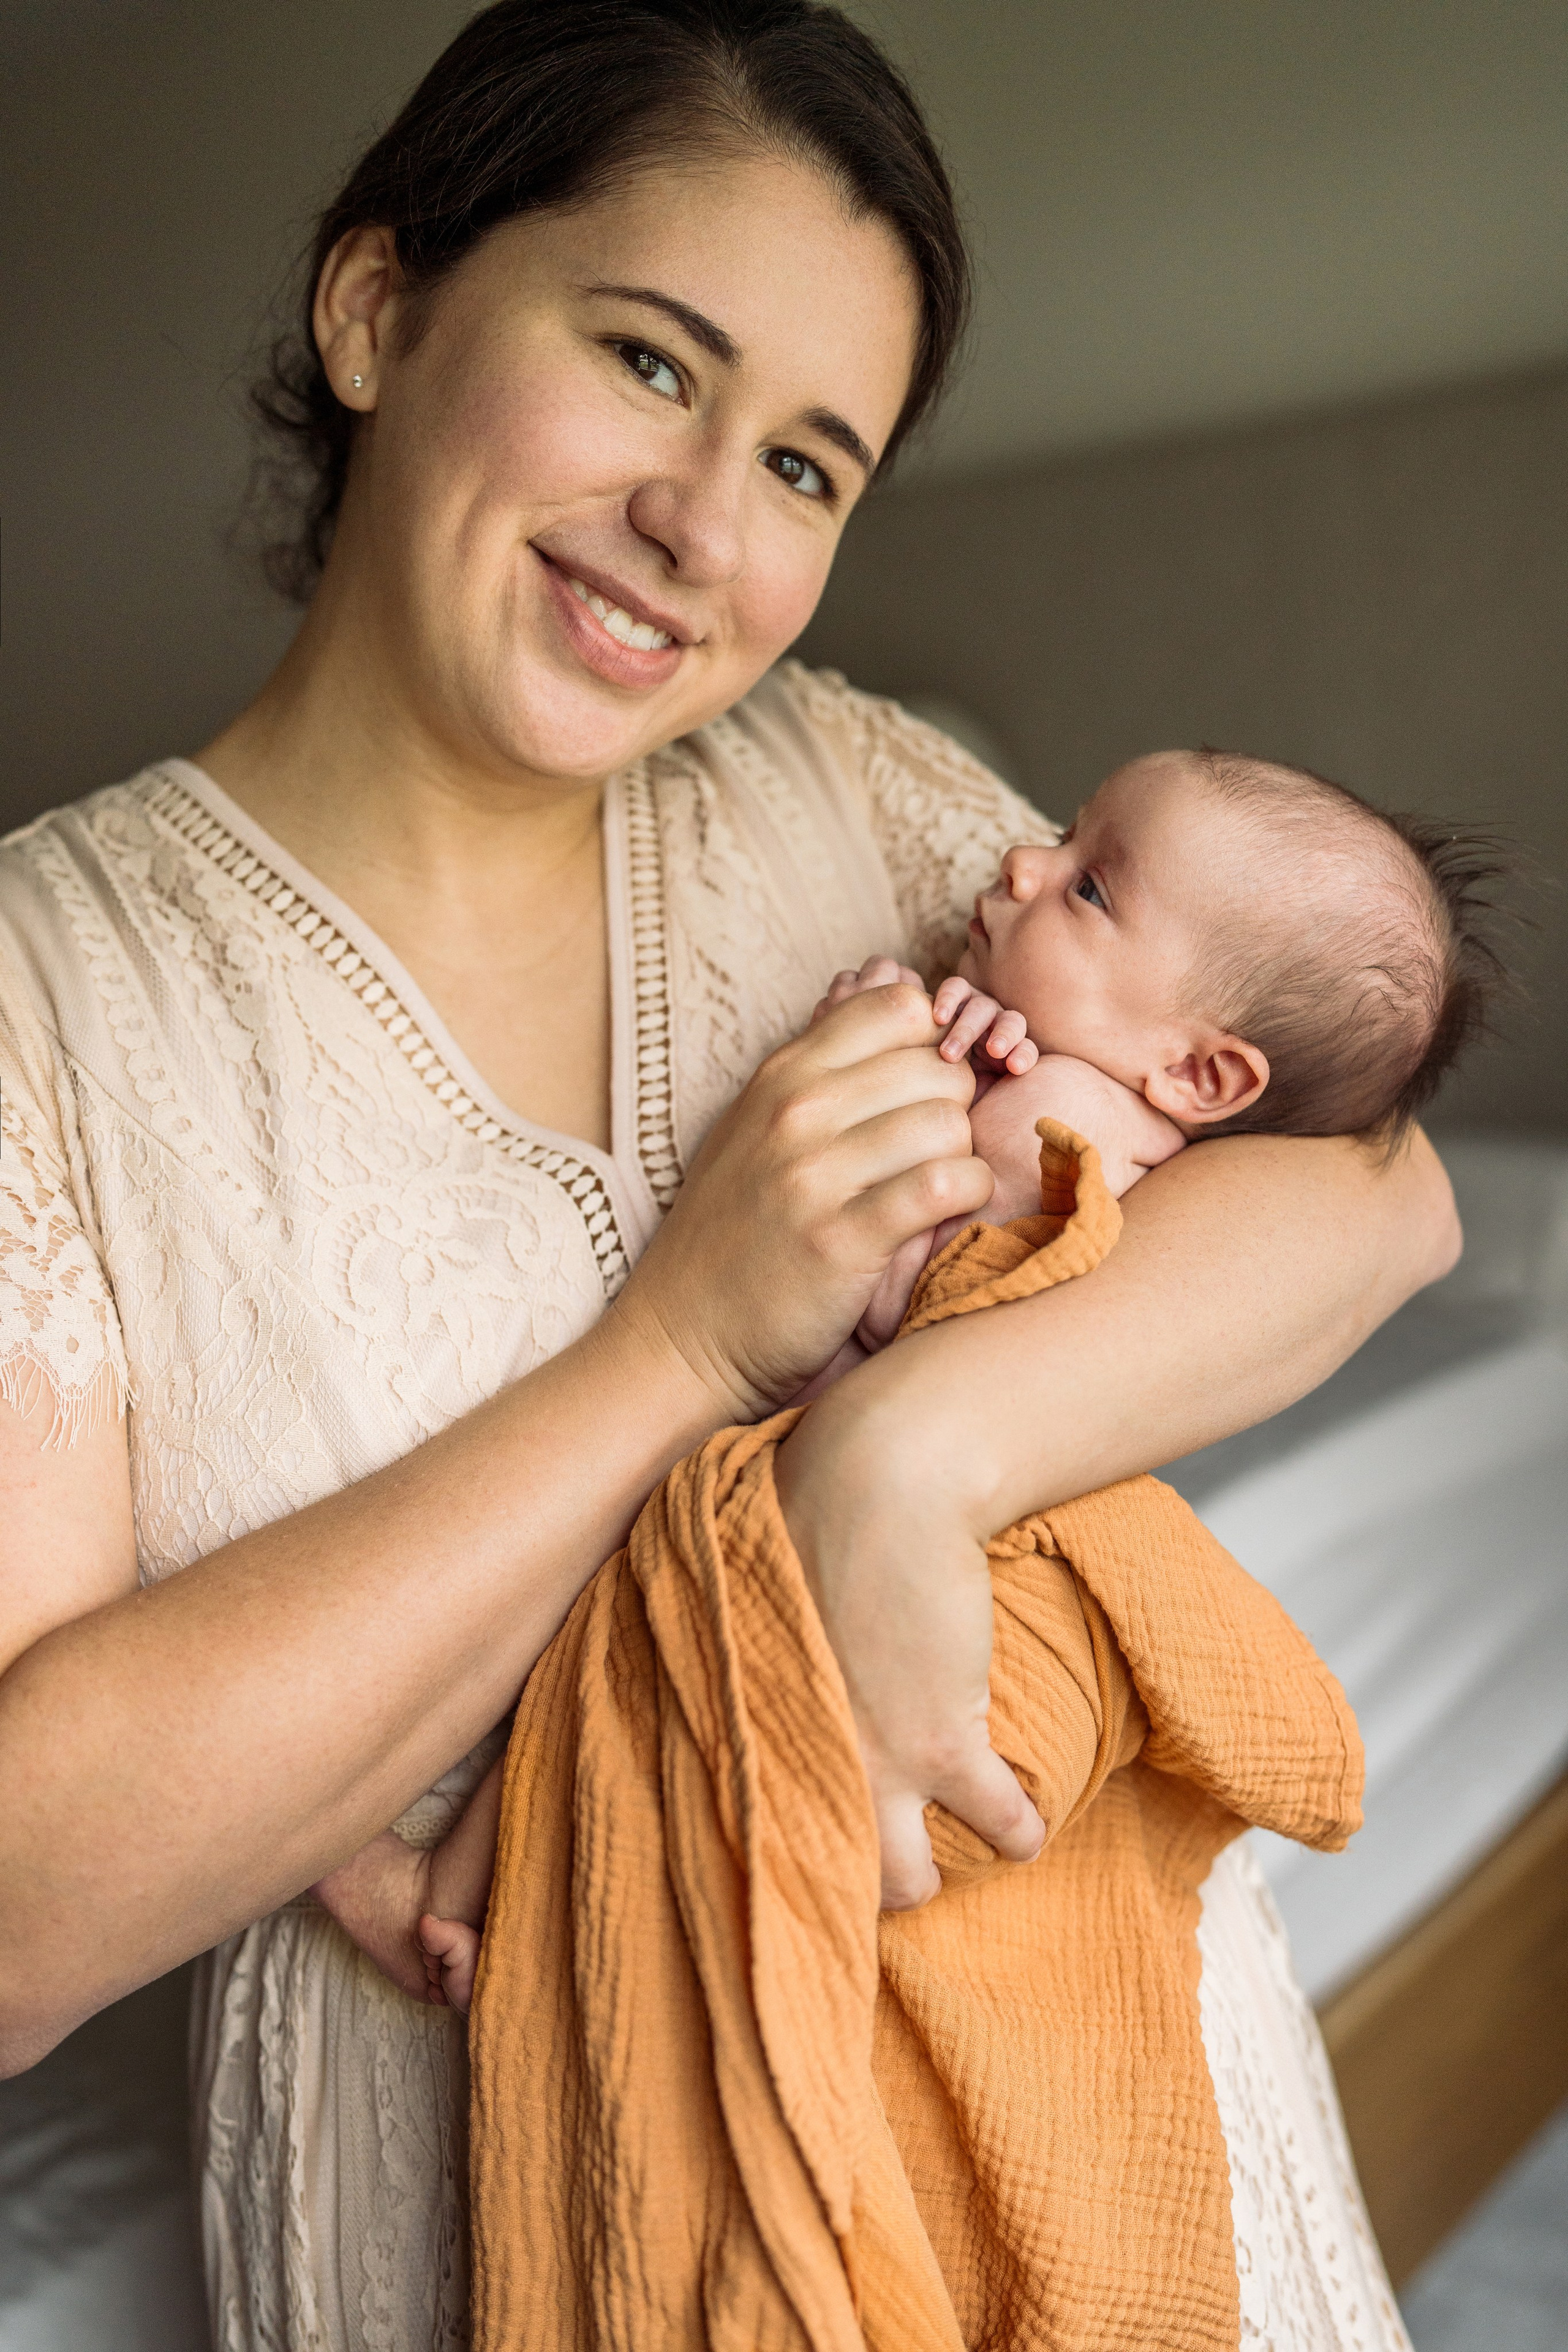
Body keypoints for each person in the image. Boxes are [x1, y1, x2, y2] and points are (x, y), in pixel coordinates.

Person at [0, 6, 1455, 2350]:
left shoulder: (852, 791)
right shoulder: (47, 1000)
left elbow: (1388, 1192)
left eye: (806, 463)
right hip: (505, 2218)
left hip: (1113, 2161)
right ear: (378, 309)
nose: (702, 527)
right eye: (653, 365)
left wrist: (908, 1453)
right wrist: (685, 1341)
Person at [340, 742, 1502, 2019]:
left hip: (845, 1507)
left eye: (1089, 890)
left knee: (610, 1668)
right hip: (783, 1464)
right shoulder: (1045, 1068)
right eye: (1065, 836)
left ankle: (448, 1892)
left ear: (1201, 1074)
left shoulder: (1105, 1142)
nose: (1021, 863)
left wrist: (911, 1057)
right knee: (594, 1653)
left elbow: (910, 1283)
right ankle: (446, 1890)